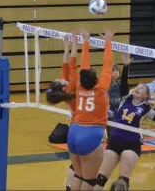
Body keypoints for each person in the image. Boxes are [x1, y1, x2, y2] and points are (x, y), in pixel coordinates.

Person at [94, 73, 155, 190]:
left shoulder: (147, 108)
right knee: (100, 179)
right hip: (114, 142)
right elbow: (123, 84)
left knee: (122, 183)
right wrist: (126, 66)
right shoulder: (125, 99)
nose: (138, 88)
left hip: (131, 144)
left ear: (146, 95)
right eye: (137, 86)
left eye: (141, 88)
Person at [67, 28, 114, 190]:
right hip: (90, 134)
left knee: (78, 174)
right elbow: (108, 64)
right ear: (95, 79)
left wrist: (85, 41)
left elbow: (84, 65)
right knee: (89, 180)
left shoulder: (79, 86)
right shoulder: (101, 89)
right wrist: (108, 40)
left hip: (74, 131)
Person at [45, 33, 78, 191]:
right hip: (83, 127)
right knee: (83, 165)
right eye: (61, 80)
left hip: (75, 129)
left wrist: (66, 45)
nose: (62, 77)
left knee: (77, 163)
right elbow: (72, 64)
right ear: (63, 87)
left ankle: (69, 186)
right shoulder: (71, 87)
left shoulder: (66, 88)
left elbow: (65, 65)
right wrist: (76, 44)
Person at [107, 54, 133, 140]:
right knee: (110, 113)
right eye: (113, 71)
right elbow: (106, 99)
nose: (116, 72)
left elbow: (125, 81)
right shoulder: (106, 84)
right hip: (109, 108)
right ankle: (111, 138)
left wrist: (126, 66)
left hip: (119, 107)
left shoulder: (120, 84)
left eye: (117, 71)